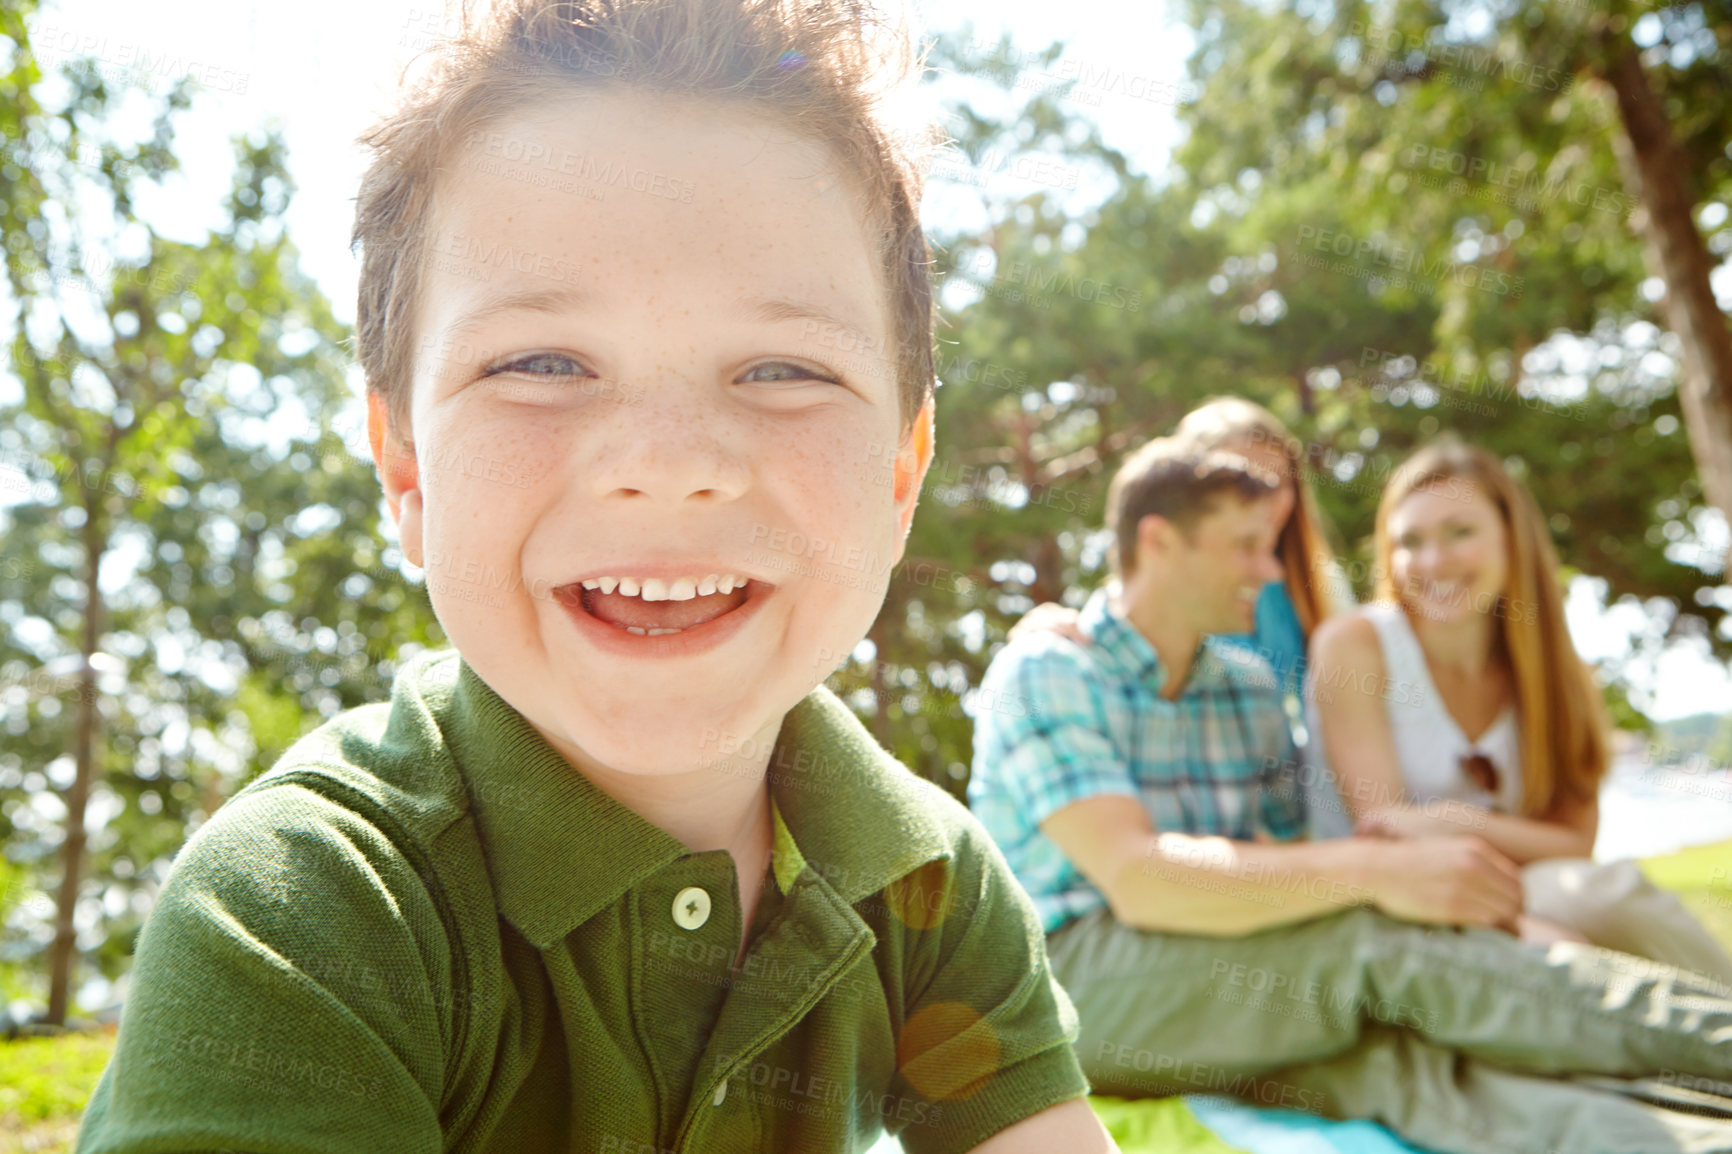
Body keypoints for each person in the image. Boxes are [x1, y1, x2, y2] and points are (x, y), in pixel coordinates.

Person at [74, 2, 1116, 1151]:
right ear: (406, 472)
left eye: (780, 367)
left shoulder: (930, 885)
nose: (666, 464)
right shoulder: (306, 909)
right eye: (542, 362)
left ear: (900, 477)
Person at [969, 437, 1732, 1154]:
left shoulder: (1248, 691)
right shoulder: (1048, 672)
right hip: (1073, 987)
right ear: (1160, 544)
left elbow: (1286, 860)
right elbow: (1138, 881)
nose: (1272, 572)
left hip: (1212, 979)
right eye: (1247, 547)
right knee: (1374, 945)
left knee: (1400, 1062)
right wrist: (1382, 880)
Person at [1305, 437, 1732, 982]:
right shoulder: (1356, 645)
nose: (1434, 561)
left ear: (1511, 539)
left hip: (1514, 890)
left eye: (1460, 532)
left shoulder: (1551, 669)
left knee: (1606, 894)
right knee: (1585, 926)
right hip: (1380, 901)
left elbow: (1577, 843)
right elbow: (1387, 834)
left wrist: (1451, 821)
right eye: (1411, 541)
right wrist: (1530, 920)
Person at [1010, 397, 1350, 700]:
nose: (1264, 500)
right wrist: (1050, 639)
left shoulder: (1317, 585)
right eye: (1243, 480)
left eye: (1278, 481)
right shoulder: (1135, 613)